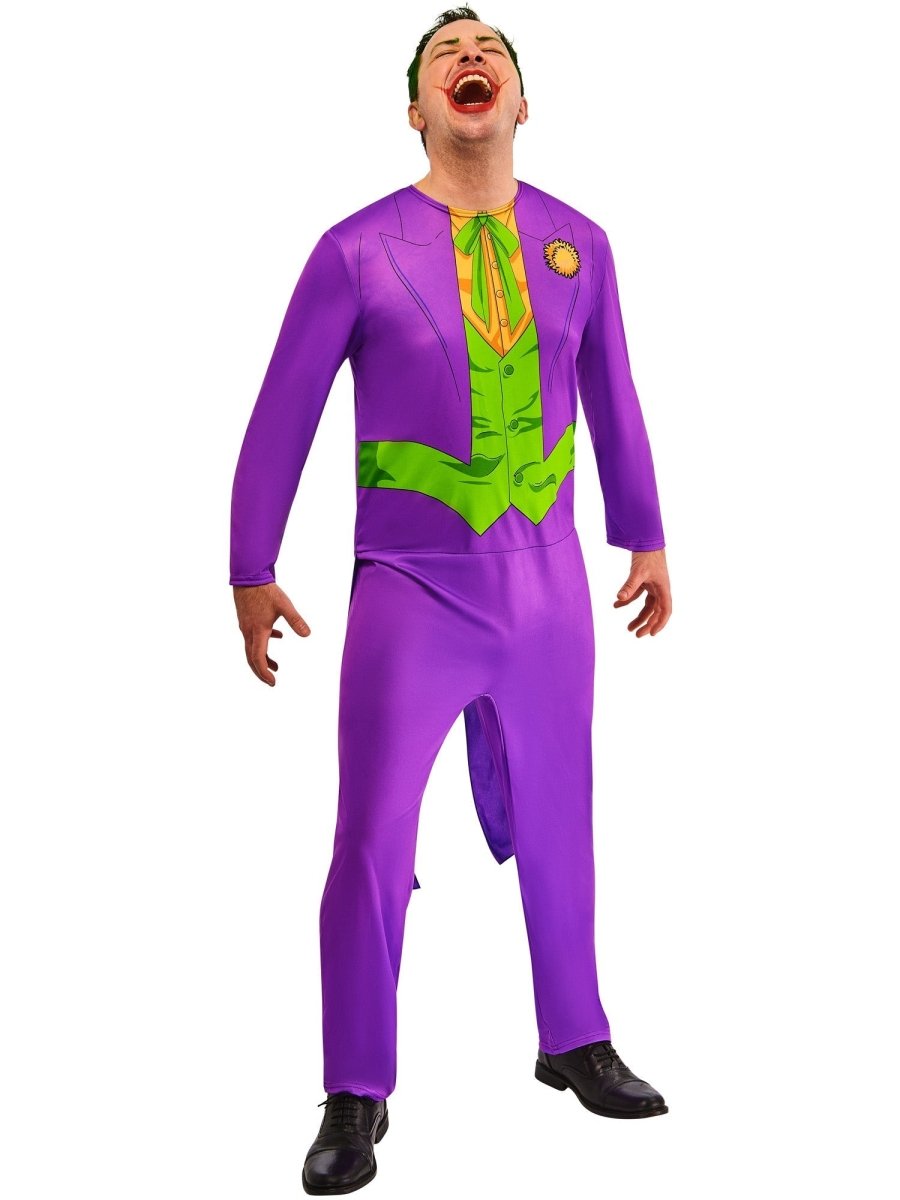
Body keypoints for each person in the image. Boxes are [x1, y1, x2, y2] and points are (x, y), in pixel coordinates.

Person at [230, 6, 673, 1194]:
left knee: (564, 814)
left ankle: (575, 1036)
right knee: (372, 835)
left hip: (548, 591)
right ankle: (353, 1087)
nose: (471, 59)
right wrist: (250, 564)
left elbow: (616, 395)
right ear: (417, 110)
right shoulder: (354, 251)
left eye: (492, 53)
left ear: (522, 103)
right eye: (446, 55)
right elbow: (283, 409)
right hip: (409, 592)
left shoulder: (581, 245)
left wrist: (644, 534)